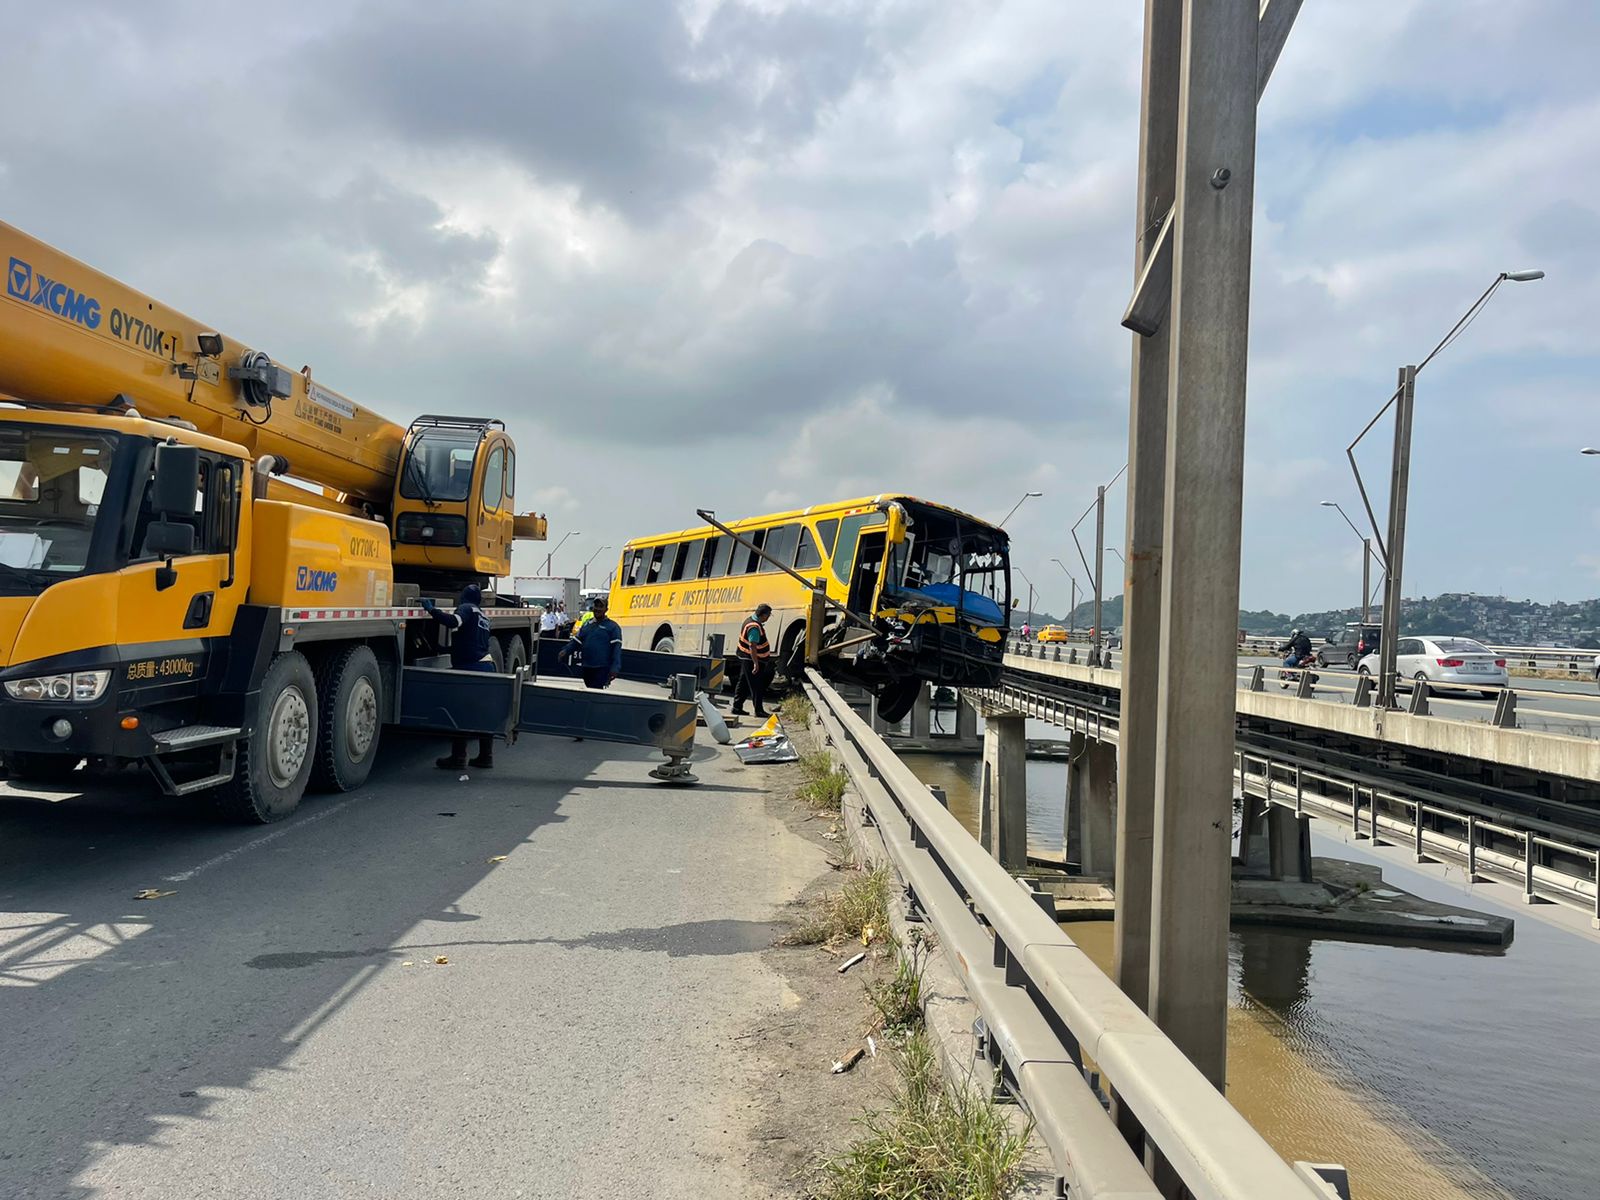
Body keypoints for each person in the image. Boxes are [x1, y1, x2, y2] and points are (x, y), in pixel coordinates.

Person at [421, 584, 498, 770]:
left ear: (464, 597)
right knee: (482, 714)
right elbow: (472, 642)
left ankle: (458, 757)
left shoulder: (466, 608)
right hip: (486, 667)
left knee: (459, 711)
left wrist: (432, 610)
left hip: (470, 669)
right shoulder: (483, 615)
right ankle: (486, 757)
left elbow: (454, 622)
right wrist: (444, 650)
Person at [559, 597, 623, 689]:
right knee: (589, 688)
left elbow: (616, 650)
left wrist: (615, 668)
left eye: (601, 606)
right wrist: (565, 651)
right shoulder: (587, 625)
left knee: (595, 691)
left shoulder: (613, 627)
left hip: (602, 667)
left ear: (606, 609)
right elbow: (576, 641)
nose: (598, 609)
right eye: (596, 606)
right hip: (587, 666)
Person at [731, 603, 775, 718]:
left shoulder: (749, 620)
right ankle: (759, 710)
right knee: (756, 685)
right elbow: (752, 646)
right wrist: (756, 663)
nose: (769, 617)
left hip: (745, 656)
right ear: (764, 615)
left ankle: (737, 707)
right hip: (752, 659)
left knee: (744, 683)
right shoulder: (754, 627)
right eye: (769, 615)